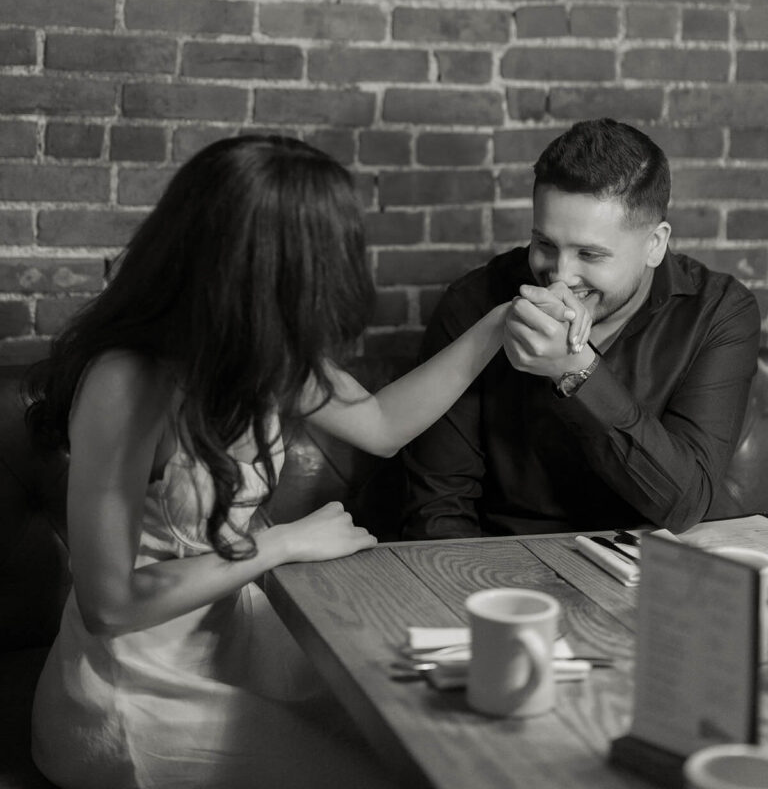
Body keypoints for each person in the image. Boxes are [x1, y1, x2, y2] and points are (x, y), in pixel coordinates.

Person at [25, 134, 591, 789]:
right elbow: (110, 605)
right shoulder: (126, 380)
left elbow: (381, 426)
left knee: (429, 736)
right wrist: (280, 544)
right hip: (135, 688)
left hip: (230, 637)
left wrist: (500, 323)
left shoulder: (260, 349)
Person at [402, 117, 761, 541]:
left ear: (655, 244)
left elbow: (684, 502)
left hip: (644, 562)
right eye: (545, 244)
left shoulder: (718, 313)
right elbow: (439, 506)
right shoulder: (475, 302)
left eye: (589, 254)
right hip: (503, 559)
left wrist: (577, 373)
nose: (561, 275)